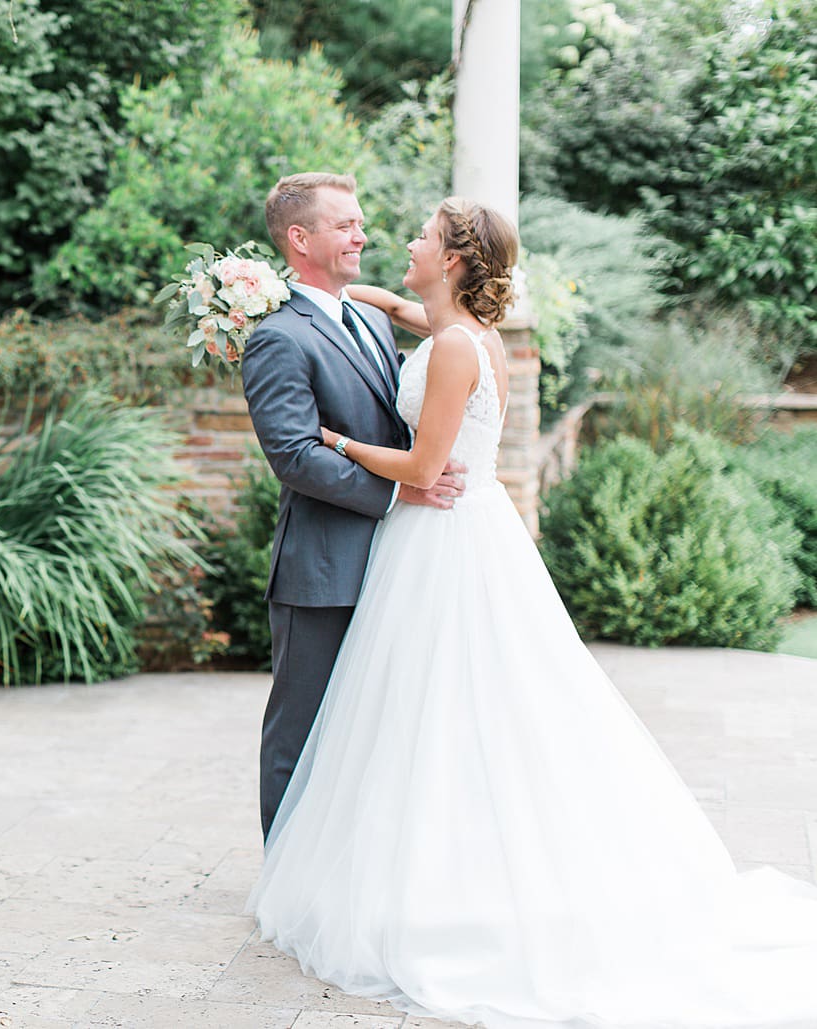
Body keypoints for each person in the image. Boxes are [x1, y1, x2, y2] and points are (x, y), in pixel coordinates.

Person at [249, 196, 817, 1028]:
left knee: (429, 715)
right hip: (457, 536)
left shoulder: (449, 347)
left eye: (419, 236)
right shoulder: (461, 331)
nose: (396, 242)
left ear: (449, 259)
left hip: (437, 537)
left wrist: (337, 442)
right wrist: (327, 297)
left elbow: (422, 462)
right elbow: (401, 312)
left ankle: (418, 883)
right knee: (432, 714)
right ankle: (397, 870)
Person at [241, 172, 466, 842]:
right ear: (299, 238)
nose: (362, 235)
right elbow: (293, 456)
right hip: (323, 567)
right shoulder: (278, 337)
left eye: (359, 222)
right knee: (302, 726)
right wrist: (402, 488)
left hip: (400, 558)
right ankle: (283, 869)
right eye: (345, 224)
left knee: (374, 727)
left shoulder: (368, 317)